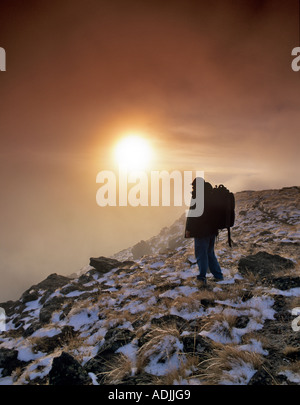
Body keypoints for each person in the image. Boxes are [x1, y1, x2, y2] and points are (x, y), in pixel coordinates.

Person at [185, 177, 223, 287]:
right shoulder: (211, 194)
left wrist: (188, 229)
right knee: (210, 254)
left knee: (201, 254)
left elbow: (192, 215)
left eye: (194, 186)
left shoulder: (198, 196)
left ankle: (201, 278)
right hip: (212, 231)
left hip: (201, 231)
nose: (192, 188)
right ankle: (218, 276)